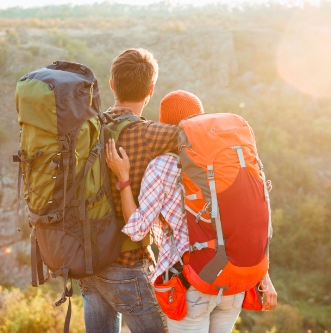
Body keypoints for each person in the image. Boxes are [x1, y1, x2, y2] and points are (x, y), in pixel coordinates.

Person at [106, 90, 278, 333]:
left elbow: (136, 229)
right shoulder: (227, 163)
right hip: (234, 281)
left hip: (192, 283)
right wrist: (264, 276)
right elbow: (252, 219)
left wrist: (123, 179)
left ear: (165, 126)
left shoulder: (163, 166)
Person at [77, 48, 179, 333]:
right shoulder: (149, 135)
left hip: (88, 262)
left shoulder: (88, 128)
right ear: (151, 90)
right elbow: (196, 135)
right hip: (127, 265)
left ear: (111, 84)